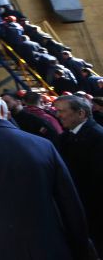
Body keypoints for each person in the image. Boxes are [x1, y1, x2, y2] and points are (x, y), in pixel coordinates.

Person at [0, 89, 93, 260]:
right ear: (2, 110)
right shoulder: (43, 144)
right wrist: (80, 241)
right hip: (47, 239)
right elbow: (68, 197)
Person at [54, 94, 103, 253]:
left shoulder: (97, 137)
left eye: (62, 111)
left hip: (93, 209)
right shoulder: (67, 136)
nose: (58, 115)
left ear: (81, 113)